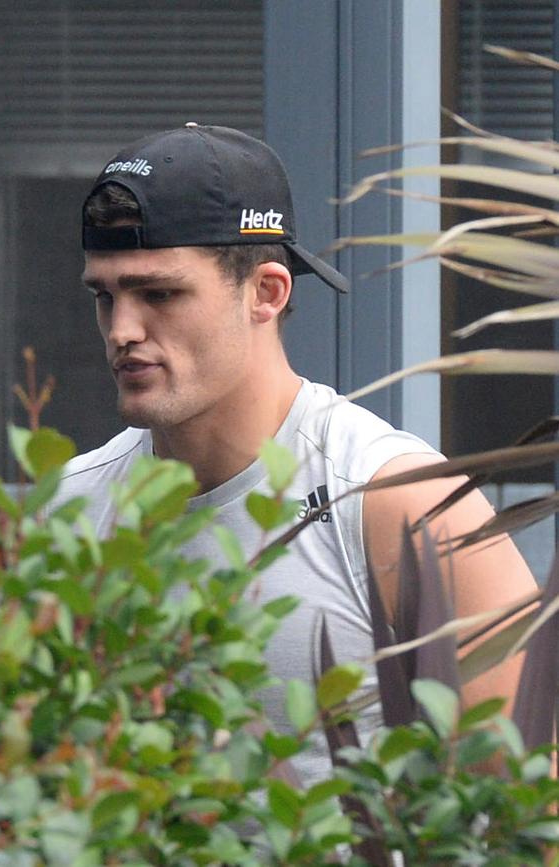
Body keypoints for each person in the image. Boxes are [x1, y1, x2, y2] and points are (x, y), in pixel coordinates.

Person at [54, 123, 537, 788]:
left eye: (159, 293)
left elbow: (532, 805)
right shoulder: (72, 507)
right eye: (104, 296)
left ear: (267, 291)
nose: (123, 330)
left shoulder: (395, 502)